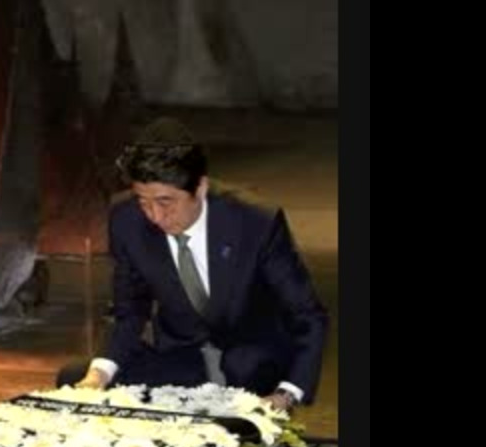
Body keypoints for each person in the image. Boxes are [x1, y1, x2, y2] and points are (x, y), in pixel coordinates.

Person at [56, 118, 328, 411]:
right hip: (184, 357)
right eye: (144, 202)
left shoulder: (254, 222)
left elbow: (308, 315)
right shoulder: (126, 219)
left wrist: (287, 394)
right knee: (74, 378)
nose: (155, 216)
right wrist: (98, 374)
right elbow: (129, 310)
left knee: (241, 382)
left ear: (200, 188)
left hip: (251, 359)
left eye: (165, 202)